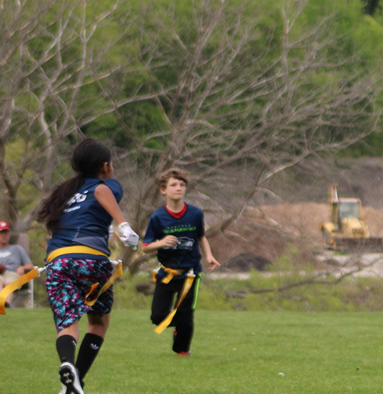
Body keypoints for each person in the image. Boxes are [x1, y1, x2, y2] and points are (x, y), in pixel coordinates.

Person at [38, 138, 139, 394]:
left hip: (58, 262)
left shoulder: (65, 192)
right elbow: (101, 192)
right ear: (105, 166)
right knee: (97, 323)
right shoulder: (106, 184)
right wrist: (123, 224)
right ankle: (78, 380)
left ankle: (68, 370)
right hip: (91, 261)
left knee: (67, 323)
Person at [142, 167, 220, 356]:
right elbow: (145, 246)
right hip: (167, 273)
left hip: (190, 274)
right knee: (157, 316)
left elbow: (201, 237)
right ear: (163, 190)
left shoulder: (195, 214)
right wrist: (161, 242)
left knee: (186, 314)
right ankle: (179, 325)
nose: (179, 188)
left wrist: (208, 255)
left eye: (182, 185)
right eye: (174, 185)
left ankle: (182, 350)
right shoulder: (157, 217)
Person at [0, 220, 35, 306]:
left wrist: (22, 268)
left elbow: (30, 266)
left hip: (13, 273)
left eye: (6, 232)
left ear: (9, 234)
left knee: (9, 283)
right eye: (1, 233)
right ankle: (2, 304)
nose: (4, 235)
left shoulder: (17, 249)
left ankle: (5, 305)